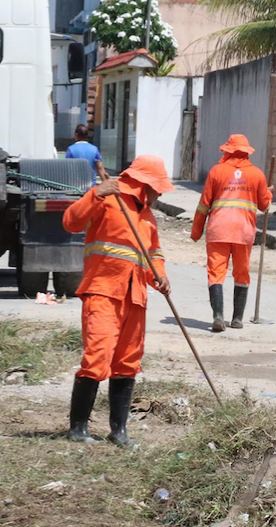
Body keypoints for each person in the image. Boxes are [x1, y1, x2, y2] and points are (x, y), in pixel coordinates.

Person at [61, 155, 173, 446]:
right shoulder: (108, 199)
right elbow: (71, 222)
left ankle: (119, 431)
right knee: (97, 358)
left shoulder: (146, 215)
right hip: (103, 291)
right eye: (158, 187)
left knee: (127, 363)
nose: (160, 193)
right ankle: (78, 429)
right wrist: (95, 194)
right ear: (144, 183)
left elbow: (153, 254)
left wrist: (159, 275)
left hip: (135, 297)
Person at [192, 134, 273, 332]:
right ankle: (237, 319)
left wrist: (196, 231)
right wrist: (269, 192)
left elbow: (204, 205)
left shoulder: (216, 172)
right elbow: (265, 205)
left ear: (228, 151)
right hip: (243, 231)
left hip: (218, 229)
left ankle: (218, 317)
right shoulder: (257, 175)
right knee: (242, 273)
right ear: (246, 152)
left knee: (216, 273)